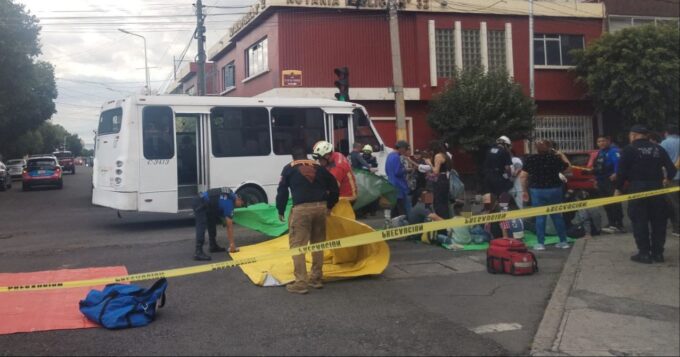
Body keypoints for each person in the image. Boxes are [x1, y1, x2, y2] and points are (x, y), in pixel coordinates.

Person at [276, 146, 339, 294]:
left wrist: (280, 209)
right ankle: (316, 279)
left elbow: (282, 191)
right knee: (317, 244)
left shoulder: (289, 169)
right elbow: (335, 187)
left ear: (293, 158)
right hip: (321, 208)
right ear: (307, 156)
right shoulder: (319, 167)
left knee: (298, 246)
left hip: (302, 210)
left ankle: (301, 283)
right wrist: (329, 205)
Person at [616, 125, 677, 264]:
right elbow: (672, 170)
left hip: (637, 189)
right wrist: (666, 180)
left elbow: (622, 173)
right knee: (659, 222)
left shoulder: (629, 149)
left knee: (639, 221)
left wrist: (618, 188)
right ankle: (658, 254)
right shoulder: (658, 148)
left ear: (633, 135)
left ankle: (644, 254)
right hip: (657, 189)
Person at [520, 139, 571, 251]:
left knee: (540, 217)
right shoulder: (555, 158)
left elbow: (523, 176)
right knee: (557, 215)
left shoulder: (531, 159)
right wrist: (561, 155)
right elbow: (568, 167)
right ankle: (563, 241)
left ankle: (540, 243)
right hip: (555, 189)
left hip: (537, 190)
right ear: (550, 148)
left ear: (536, 149)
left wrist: (524, 191)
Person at [192, 187, 244, 261]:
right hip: (200, 202)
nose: (240, 206)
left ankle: (213, 246)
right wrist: (232, 245)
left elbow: (218, 202)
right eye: (242, 204)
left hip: (205, 202)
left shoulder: (230, 194)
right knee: (201, 226)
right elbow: (229, 226)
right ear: (239, 199)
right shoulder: (229, 202)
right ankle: (198, 252)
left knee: (211, 222)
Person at [312, 140, 357, 218]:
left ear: (326, 155)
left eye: (320, 159)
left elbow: (331, 188)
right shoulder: (335, 155)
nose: (319, 161)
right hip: (343, 193)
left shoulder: (337, 166)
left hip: (345, 197)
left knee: (335, 221)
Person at [590, 136, 625, 233]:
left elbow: (618, 163)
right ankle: (611, 222)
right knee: (606, 203)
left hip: (611, 181)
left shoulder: (614, 151)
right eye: (599, 141)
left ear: (608, 141)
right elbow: (597, 167)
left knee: (615, 202)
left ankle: (619, 224)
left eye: (603, 141)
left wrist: (616, 173)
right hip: (601, 181)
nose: (601, 143)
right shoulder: (600, 152)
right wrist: (596, 180)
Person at [660, 124, 680, 238]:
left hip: (671, 178)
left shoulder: (664, 143)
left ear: (666, 132)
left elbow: (661, 162)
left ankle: (677, 228)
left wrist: (664, 177)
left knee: (674, 204)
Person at [482, 136, 514, 206]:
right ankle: (503, 210)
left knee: (489, 195)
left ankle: (488, 211)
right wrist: (510, 177)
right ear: (505, 144)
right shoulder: (504, 152)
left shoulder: (489, 150)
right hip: (498, 177)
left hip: (487, 177)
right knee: (504, 193)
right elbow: (507, 167)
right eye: (508, 146)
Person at [386, 140, 412, 217]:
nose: (406, 151)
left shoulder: (389, 156)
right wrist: (406, 170)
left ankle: (392, 225)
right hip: (399, 186)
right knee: (401, 209)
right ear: (402, 148)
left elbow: (387, 170)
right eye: (406, 149)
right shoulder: (396, 157)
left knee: (394, 208)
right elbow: (398, 172)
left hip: (391, 184)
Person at [429, 140, 451, 220]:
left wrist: (429, 163)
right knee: (444, 203)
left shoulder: (438, 156)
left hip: (439, 181)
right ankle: (446, 220)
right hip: (445, 179)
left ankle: (440, 221)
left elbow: (436, 171)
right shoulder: (446, 156)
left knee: (438, 203)